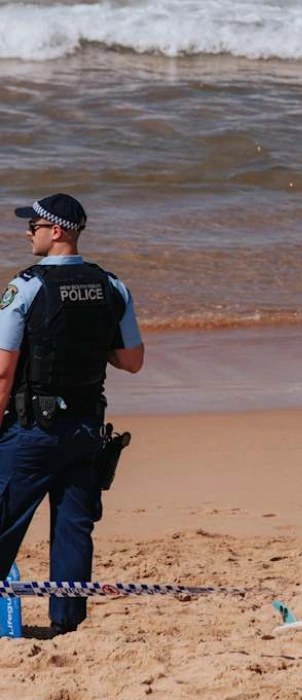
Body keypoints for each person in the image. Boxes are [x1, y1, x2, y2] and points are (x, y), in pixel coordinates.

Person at [0, 193, 144, 634]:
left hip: (31, 432)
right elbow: (132, 360)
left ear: (56, 231)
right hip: (85, 429)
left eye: (35, 226)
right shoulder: (111, 286)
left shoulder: (25, 287)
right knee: (73, 531)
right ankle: (68, 625)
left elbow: (4, 373)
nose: (28, 233)